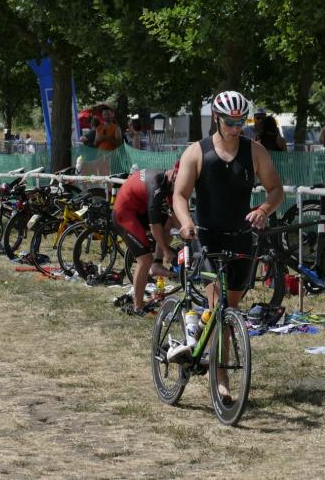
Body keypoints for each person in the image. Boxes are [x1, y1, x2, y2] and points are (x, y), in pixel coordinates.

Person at [172, 90, 283, 396]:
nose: (237, 128)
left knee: (230, 309)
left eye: (241, 122)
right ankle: (220, 376)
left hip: (241, 238)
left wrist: (263, 210)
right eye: (230, 122)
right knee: (218, 304)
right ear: (216, 119)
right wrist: (186, 222)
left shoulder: (255, 151)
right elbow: (180, 195)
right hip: (206, 237)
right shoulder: (197, 152)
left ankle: (201, 339)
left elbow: (276, 189)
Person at [113, 163, 180, 315]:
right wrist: (166, 250)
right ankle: (137, 307)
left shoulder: (170, 183)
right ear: (175, 175)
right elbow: (154, 225)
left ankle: (157, 264)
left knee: (168, 221)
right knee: (144, 259)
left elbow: (176, 217)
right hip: (124, 214)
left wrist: (192, 235)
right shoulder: (157, 184)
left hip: (137, 211)